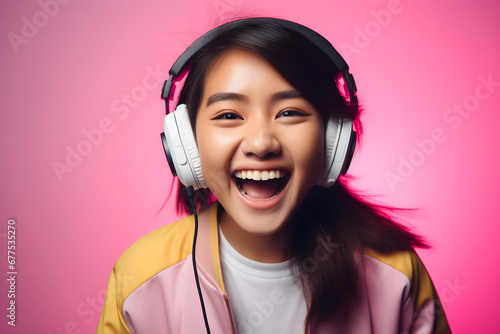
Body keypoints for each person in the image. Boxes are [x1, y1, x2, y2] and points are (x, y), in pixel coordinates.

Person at [97, 18, 451, 334]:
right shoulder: (141, 278)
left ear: (333, 139)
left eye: (290, 112)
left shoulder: (394, 273)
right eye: (229, 115)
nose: (262, 143)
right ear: (186, 143)